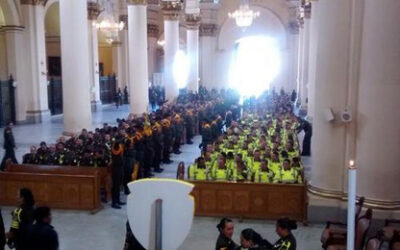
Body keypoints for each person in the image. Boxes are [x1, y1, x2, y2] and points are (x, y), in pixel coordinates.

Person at [111, 140, 125, 209]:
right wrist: (118, 143)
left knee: (119, 184)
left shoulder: (119, 146)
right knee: (115, 186)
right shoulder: (115, 147)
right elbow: (116, 151)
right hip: (116, 168)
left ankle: (118, 200)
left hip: (120, 167)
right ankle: (114, 202)